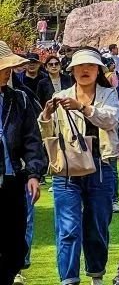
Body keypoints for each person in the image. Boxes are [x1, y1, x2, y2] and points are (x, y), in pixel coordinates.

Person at [40, 48, 119, 285]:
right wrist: (46, 115)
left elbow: (110, 119)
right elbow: (47, 133)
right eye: (80, 66)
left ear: (98, 70)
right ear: (72, 70)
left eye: (91, 66)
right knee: (67, 228)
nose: (85, 70)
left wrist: (83, 107)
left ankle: (96, 275)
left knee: (97, 225)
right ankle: (69, 279)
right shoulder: (61, 95)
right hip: (67, 169)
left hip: (101, 166)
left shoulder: (108, 94)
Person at [0, 43, 46, 285]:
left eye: (9, 68)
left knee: (15, 244)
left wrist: (33, 174)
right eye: (3, 68)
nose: (8, 72)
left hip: (12, 181)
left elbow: (32, 140)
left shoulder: (20, 100)